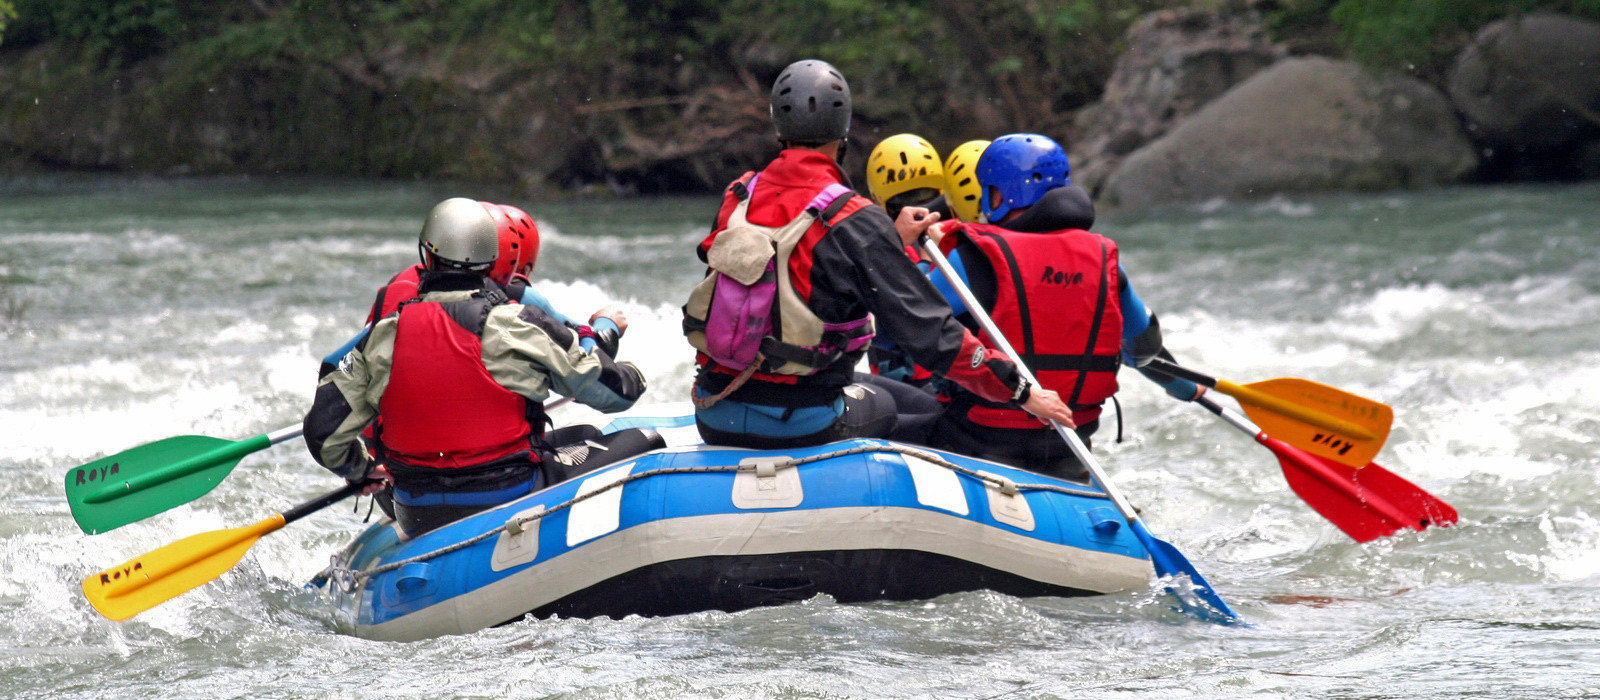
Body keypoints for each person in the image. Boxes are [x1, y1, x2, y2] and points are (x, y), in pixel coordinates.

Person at [681, 59, 1077, 450]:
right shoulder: (856, 219)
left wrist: (889, 239)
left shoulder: (739, 195)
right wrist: (1023, 392)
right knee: (895, 405)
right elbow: (933, 336)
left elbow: (788, 257)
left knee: (865, 383)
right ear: (844, 130)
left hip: (715, 413)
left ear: (778, 125)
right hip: (800, 424)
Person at [305, 198, 654, 537]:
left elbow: (323, 433)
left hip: (414, 508)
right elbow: (615, 396)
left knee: (582, 436)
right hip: (507, 492)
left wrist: (361, 468)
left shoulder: (382, 336)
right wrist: (630, 372)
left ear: (426, 256)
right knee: (642, 439)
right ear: (492, 263)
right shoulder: (519, 324)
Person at [920, 133, 1203, 481]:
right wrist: (1184, 387)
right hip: (1071, 446)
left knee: (881, 407)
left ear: (1000, 193)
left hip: (980, 440)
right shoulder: (1105, 262)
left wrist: (920, 259)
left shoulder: (972, 258)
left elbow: (901, 324)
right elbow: (1143, 348)